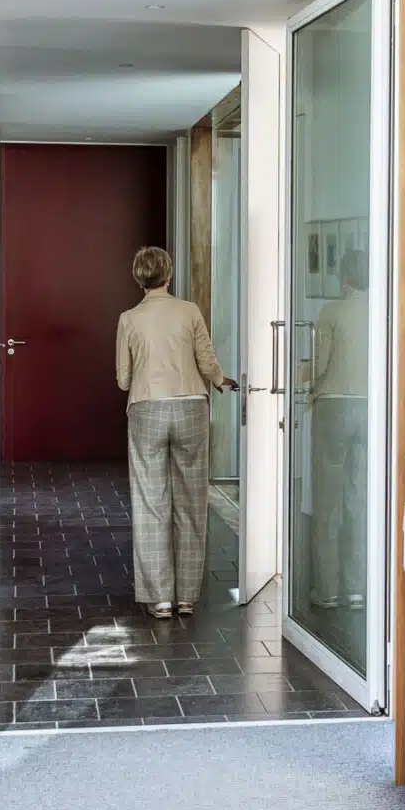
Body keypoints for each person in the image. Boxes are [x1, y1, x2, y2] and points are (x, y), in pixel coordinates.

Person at [116, 246, 236, 620]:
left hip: (147, 407)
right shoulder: (189, 311)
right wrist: (219, 380)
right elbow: (206, 359)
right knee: (191, 502)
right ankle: (186, 596)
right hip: (191, 408)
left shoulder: (128, 319)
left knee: (151, 503)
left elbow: (123, 379)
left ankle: (159, 599)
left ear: (139, 279)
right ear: (169, 275)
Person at [308, 247, 369, 613]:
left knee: (327, 501)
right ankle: (357, 587)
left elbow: (320, 365)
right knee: (358, 500)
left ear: (343, 277)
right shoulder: (383, 310)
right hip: (370, 408)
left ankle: (327, 590)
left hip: (334, 407)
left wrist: (302, 382)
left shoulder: (331, 312)